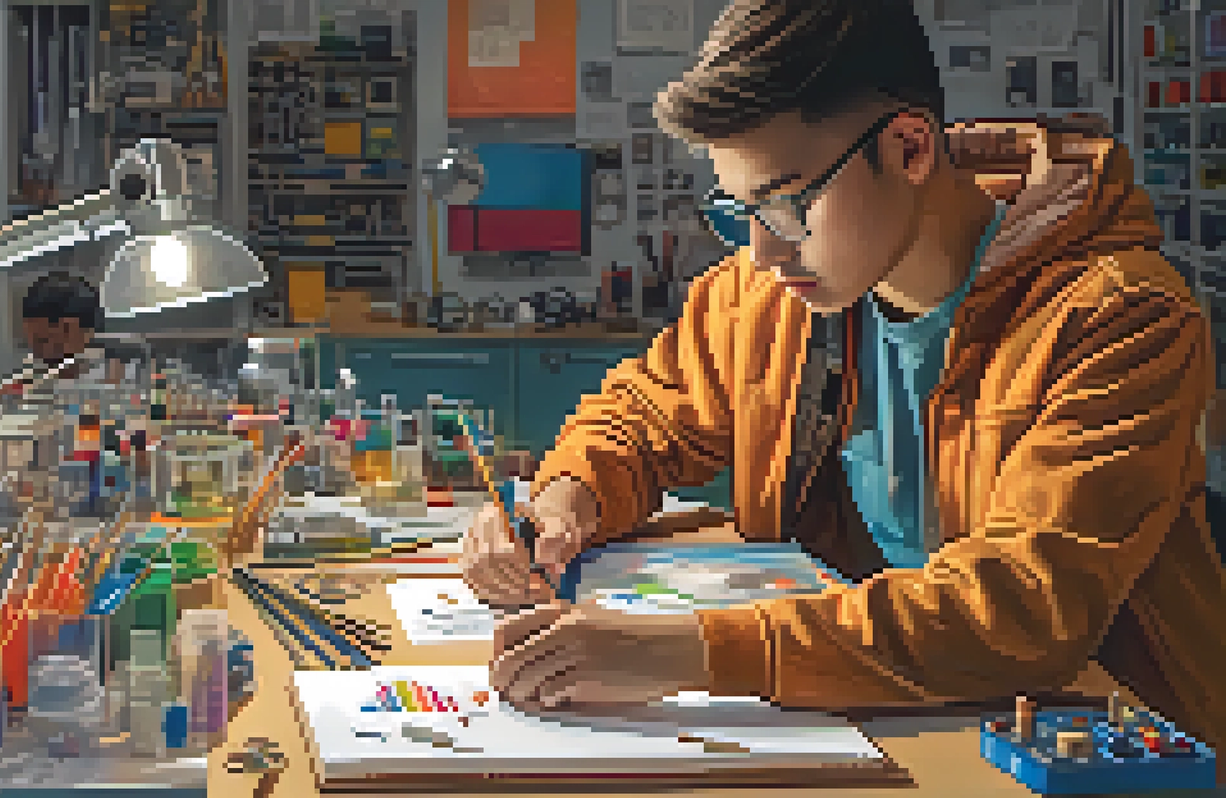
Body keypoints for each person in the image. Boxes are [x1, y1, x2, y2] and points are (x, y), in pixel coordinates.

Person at [461, 0, 1226, 772]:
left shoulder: (1122, 319)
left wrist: (689, 651)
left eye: (788, 204)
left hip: (1092, 744)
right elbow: (642, 416)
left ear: (910, 146)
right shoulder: (770, 294)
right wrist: (562, 501)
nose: (762, 251)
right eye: (740, 209)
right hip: (874, 713)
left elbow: (1023, 604)